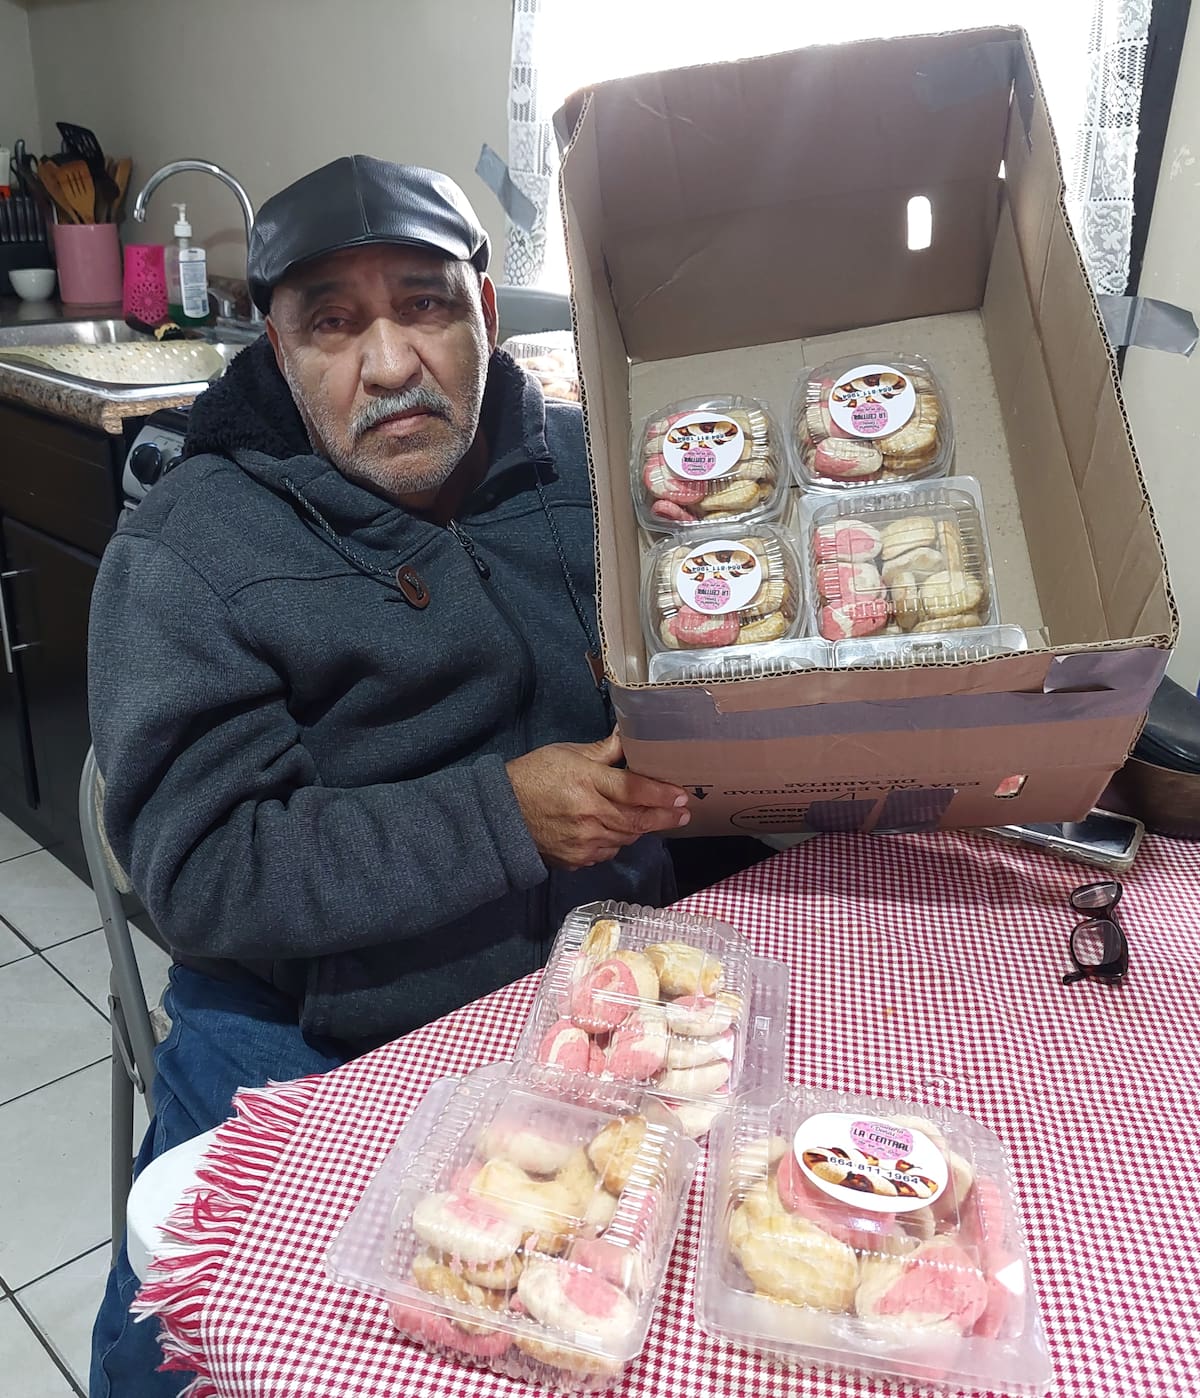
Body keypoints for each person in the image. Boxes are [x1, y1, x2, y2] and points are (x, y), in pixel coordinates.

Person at [86, 155, 691, 1396]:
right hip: (314, 1023)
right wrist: (504, 816)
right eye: (332, 323)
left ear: (483, 302)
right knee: (198, 1351)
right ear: (276, 344)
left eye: (424, 304)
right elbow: (206, 872)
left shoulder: (596, 473)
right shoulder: (189, 549)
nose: (391, 365)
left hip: (604, 984)